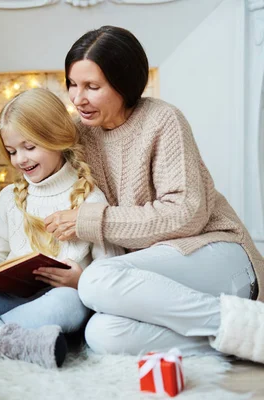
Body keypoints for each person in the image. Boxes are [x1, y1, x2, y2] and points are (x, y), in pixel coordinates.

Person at [40, 25, 264, 362]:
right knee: (102, 333)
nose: (77, 98)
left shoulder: (163, 120)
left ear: (123, 85)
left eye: (92, 86)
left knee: (96, 281)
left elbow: (185, 215)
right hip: (153, 277)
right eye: (72, 84)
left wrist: (89, 221)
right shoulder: (80, 134)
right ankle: (241, 338)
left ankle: (257, 328)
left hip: (218, 252)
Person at [0, 88, 123, 369]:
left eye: (30, 147)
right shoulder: (9, 197)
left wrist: (80, 280)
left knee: (68, 301)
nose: (20, 160)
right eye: (13, 152)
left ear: (56, 138)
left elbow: (110, 269)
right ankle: (12, 340)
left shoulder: (90, 197)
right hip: (8, 299)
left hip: (54, 303)